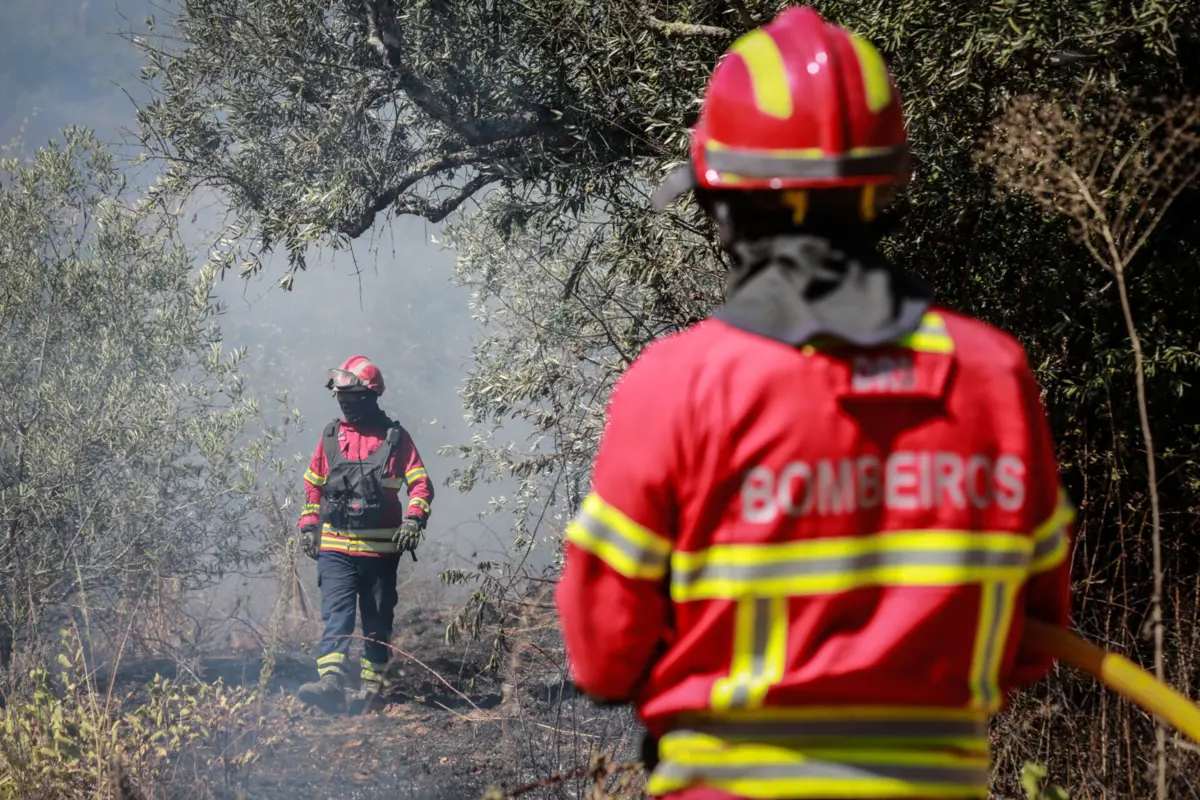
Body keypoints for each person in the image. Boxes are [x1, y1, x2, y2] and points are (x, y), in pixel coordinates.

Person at [554, 7, 1075, 800]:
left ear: (722, 211)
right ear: (886, 192)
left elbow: (601, 656)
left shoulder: (681, 384)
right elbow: (1032, 643)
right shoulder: (993, 376)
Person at [295, 355, 434, 713]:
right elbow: (312, 486)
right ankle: (330, 683)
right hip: (335, 549)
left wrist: (414, 520)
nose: (345, 403)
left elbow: (420, 484)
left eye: (352, 397)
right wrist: (309, 526)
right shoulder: (330, 435)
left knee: (376, 620)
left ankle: (372, 687)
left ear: (370, 397)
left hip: (380, 551)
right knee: (336, 615)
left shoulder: (396, 438)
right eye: (341, 397)